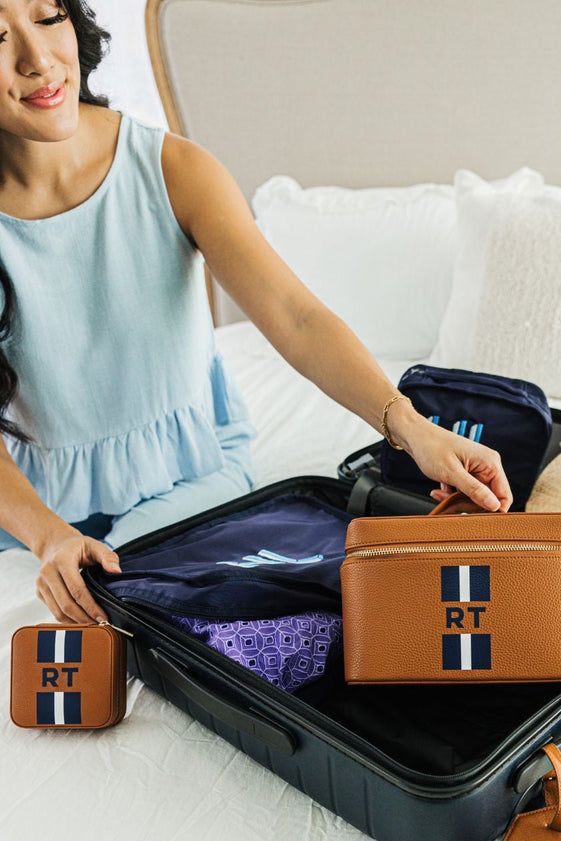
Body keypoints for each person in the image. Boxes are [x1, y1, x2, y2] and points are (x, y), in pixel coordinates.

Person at [0, 0, 512, 625]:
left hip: (186, 480)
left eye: (47, 17)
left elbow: (294, 318)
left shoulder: (173, 169)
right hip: (25, 503)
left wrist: (412, 429)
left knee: (140, 602)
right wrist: (48, 535)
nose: (38, 60)